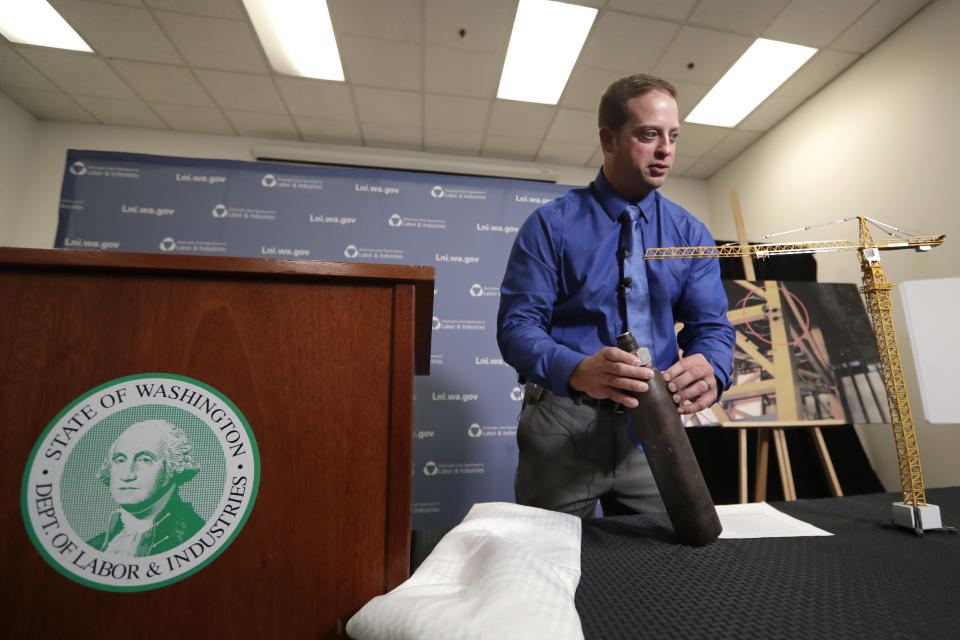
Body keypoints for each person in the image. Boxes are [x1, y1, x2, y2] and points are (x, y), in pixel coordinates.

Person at [497, 74, 735, 517]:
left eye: (673, 136)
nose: (666, 150)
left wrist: (714, 367)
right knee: (547, 565)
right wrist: (577, 368)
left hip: (654, 427)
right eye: (649, 135)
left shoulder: (691, 233)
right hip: (563, 421)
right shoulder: (550, 226)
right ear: (608, 138)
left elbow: (712, 328)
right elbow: (517, 329)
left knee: (666, 567)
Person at [87, 419, 203, 556]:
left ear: (172, 466)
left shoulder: (193, 537)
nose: (126, 475)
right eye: (120, 460)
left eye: (145, 460)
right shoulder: (95, 546)